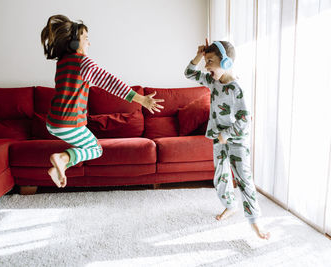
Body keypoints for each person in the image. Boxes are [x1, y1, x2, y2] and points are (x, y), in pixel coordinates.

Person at [41, 15, 164, 188]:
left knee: (87, 149)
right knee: (95, 149)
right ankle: (61, 158)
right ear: (74, 43)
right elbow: (110, 82)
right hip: (68, 123)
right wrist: (140, 99)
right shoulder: (83, 63)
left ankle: (59, 166)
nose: (89, 43)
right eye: (86, 39)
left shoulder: (62, 63)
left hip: (53, 123)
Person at [184, 39, 270, 240]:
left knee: (243, 179)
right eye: (206, 61)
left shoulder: (237, 89)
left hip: (236, 140)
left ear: (226, 63)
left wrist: (227, 134)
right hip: (217, 137)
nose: (206, 66)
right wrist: (199, 55)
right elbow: (189, 73)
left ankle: (255, 220)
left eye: (210, 61)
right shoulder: (212, 81)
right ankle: (230, 206)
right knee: (220, 177)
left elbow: (244, 118)